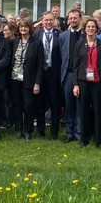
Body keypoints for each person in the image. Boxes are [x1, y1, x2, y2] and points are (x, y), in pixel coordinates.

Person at [73, 17, 101, 147]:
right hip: (83, 81)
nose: (91, 28)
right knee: (84, 110)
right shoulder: (79, 44)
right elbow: (76, 66)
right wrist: (75, 84)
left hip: (98, 81)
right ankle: (84, 139)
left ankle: (99, 139)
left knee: (98, 110)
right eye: (88, 26)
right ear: (84, 29)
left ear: (97, 29)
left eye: (93, 26)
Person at [10, 18, 40, 140]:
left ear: (30, 28)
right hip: (15, 78)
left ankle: (28, 131)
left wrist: (37, 83)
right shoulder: (15, 41)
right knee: (17, 106)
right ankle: (18, 130)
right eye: (21, 27)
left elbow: (40, 65)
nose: (23, 29)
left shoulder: (36, 43)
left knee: (28, 106)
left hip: (29, 80)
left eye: (26, 27)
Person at [35, 12, 63, 140]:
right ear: (42, 21)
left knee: (54, 104)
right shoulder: (36, 35)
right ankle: (40, 130)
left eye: (51, 20)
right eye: (46, 20)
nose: (48, 22)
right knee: (40, 103)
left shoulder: (60, 35)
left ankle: (54, 132)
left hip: (54, 73)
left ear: (54, 21)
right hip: (40, 73)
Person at [58, 9, 84, 143]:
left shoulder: (85, 35)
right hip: (67, 75)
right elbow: (59, 56)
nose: (73, 20)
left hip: (82, 76)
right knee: (69, 105)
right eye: (71, 18)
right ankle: (70, 133)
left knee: (80, 105)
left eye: (75, 18)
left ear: (80, 19)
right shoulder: (63, 36)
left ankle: (80, 133)